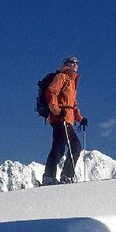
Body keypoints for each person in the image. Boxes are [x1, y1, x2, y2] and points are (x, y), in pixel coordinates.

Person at [42, 55, 88, 185]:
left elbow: (72, 104)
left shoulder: (72, 82)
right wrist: (57, 110)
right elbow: (51, 93)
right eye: (71, 62)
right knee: (75, 146)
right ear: (65, 64)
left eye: (76, 63)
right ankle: (66, 176)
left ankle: (49, 176)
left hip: (66, 118)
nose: (74, 64)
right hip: (60, 118)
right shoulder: (61, 77)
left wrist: (80, 118)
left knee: (58, 148)